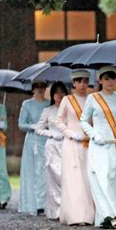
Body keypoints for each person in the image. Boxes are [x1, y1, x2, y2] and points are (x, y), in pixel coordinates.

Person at [80, 66, 116, 229]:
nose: (110, 81)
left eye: (113, 78)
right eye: (106, 78)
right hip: (99, 144)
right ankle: (108, 216)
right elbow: (83, 120)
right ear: (100, 80)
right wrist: (94, 135)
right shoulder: (93, 98)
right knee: (100, 179)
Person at [54, 70, 95, 226]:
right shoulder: (67, 99)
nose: (82, 85)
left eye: (85, 81)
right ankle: (75, 216)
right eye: (79, 81)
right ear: (74, 83)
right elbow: (59, 121)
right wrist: (70, 133)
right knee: (74, 179)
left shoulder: (92, 99)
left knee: (87, 178)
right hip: (71, 144)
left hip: (88, 143)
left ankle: (89, 214)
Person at [35, 81, 67, 219]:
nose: (59, 96)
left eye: (62, 93)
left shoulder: (70, 110)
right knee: (54, 176)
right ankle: (55, 211)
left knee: (67, 177)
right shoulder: (48, 111)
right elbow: (38, 129)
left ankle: (67, 210)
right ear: (53, 95)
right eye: (56, 93)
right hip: (53, 146)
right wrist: (51, 133)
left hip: (67, 146)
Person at [18, 80, 51, 215]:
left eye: (42, 86)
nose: (40, 89)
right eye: (37, 87)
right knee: (33, 171)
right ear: (33, 89)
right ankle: (33, 203)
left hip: (46, 140)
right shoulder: (27, 104)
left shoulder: (49, 104)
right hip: (32, 141)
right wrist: (33, 126)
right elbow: (21, 124)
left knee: (44, 171)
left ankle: (44, 203)